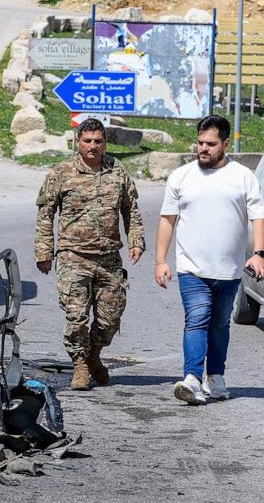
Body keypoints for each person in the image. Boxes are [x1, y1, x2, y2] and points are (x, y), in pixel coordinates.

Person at [154, 114, 264, 405]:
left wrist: (258, 255)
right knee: (197, 320)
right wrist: (161, 260)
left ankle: (215, 377)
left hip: (229, 271)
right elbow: (167, 220)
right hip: (192, 268)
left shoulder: (242, 176)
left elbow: (258, 216)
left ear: (225, 144)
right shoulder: (182, 176)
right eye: (201, 142)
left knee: (219, 325)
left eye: (211, 144)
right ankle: (191, 377)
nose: (204, 148)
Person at [35, 118, 145, 390]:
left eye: (98, 141)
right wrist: (44, 250)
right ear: (78, 142)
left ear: (105, 142)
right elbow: (45, 214)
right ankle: (81, 364)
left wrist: (136, 240)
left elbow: (131, 210)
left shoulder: (118, 171)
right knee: (76, 317)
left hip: (109, 258)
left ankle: (94, 354)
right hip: (74, 257)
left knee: (110, 318)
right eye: (87, 141)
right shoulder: (61, 173)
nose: (93, 146)